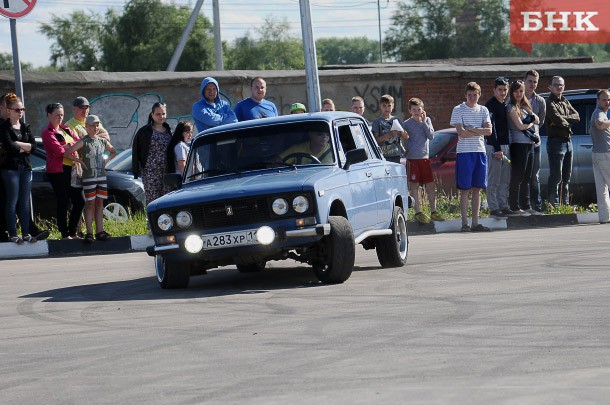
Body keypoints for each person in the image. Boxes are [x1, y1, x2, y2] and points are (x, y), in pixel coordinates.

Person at [63, 115, 117, 243]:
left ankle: (100, 231)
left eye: (97, 124)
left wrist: (107, 160)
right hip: (88, 178)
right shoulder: (84, 141)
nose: (95, 127)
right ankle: (89, 232)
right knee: (90, 204)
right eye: (92, 125)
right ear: (86, 127)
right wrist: (79, 161)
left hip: (101, 177)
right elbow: (67, 153)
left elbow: (113, 151)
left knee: (100, 203)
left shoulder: (102, 141)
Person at [450, 82, 492, 232]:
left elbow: (489, 131)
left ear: (479, 95)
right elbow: (461, 133)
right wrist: (478, 130)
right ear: (465, 95)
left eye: (475, 95)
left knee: (477, 189)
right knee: (465, 189)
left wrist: (472, 129)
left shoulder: (483, 110)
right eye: (470, 95)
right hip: (464, 153)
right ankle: (464, 223)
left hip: (480, 152)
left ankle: (475, 222)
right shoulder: (458, 109)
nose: (472, 97)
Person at [41, 103, 85, 239]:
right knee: (63, 201)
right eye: (57, 115)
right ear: (49, 115)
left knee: (79, 201)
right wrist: (71, 147)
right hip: (58, 171)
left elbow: (79, 143)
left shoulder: (66, 129)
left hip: (72, 169)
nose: (60, 117)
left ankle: (73, 231)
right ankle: (65, 234)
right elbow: (60, 152)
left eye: (62, 115)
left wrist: (68, 146)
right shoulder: (47, 132)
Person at [0, 93, 37, 244]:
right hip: (11, 169)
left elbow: (33, 147)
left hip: (26, 168)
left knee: (24, 203)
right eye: (17, 109)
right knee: (12, 202)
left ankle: (27, 234)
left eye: (22, 109)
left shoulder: (25, 126)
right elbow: (10, 148)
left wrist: (19, 144)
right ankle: (14, 234)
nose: (20, 112)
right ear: (8, 111)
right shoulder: (4, 128)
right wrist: (24, 146)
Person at [403, 97, 444, 224]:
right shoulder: (406, 124)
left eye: (419, 109)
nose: (416, 112)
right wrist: (404, 148)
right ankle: (418, 212)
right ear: (410, 110)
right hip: (413, 159)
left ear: (423, 110)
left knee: (430, 185)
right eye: (414, 110)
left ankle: (433, 211)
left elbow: (431, 136)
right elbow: (402, 138)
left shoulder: (427, 120)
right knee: (414, 186)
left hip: (425, 158)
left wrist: (424, 122)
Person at [507, 80, 540, 216]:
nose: (519, 94)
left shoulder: (525, 106)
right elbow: (520, 126)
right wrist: (530, 122)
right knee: (518, 176)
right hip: (518, 145)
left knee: (527, 177)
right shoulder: (511, 107)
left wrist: (530, 118)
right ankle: (515, 206)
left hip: (530, 144)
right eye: (516, 91)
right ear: (512, 92)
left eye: (521, 91)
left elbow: (537, 120)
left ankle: (526, 206)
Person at [545, 76, 580, 206]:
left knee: (566, 176)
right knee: (556, 176)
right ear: (550, 86)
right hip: (556, 142)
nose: (559, 87)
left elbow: (577, 117)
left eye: (561, 85)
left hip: (568, 141)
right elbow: (558, 120)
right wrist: (564, 121)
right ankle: (552, 204)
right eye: (556, 85)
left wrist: (564, 120)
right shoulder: (549, 103)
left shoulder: (565, 101)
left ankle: (565, 204)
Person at [484, 77, 514, 218]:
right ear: (494, 90)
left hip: (505, 145)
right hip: (494, 146)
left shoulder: (505, 104)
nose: (502, 93)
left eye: (505, 90)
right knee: (494, 179)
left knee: (505, 179)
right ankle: (494, 208)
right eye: (500, 90)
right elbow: (492, 128)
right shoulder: (490, 105)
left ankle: (503, 205)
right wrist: (497, 148)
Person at [132, 102, 173, 204]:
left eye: (163, 114)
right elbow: (136, 151)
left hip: (166, 171)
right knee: (153, 201)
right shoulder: (145, 131)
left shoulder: (169, 130)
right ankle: (152, 220)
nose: (161, 116)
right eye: (158, 114)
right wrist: (137, 169)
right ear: (152, 115)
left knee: (167, 200)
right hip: (150, 172)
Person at [524, 70, 546, 213]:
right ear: (524, 81)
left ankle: (536, 206)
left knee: (534, 176)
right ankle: (521, 205)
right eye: (530, 81)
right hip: (519, 144)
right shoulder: (516, 98)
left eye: (535, 82)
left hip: (535, 143)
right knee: (520, 175)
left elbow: (541, 122)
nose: (532, 84)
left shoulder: (540, 101)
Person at [589, 89, 610, 224]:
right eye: (604, 99)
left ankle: (604, 217)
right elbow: (600, 124)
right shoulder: (599, 113)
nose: (607, 102)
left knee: (602, 188)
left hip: (598, 154)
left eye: (608, 100)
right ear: (598, 101)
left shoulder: (601, 113)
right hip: (605, 153)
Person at [372, 94, 408, 163]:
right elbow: (374, 140)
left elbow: (406, 137)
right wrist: (388, 135)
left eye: (389, 106)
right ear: (380, 106)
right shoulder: (377, 122)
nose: (387, 108)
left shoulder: (397, 119)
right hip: (383, 156)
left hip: (396, 155)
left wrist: (401, 131)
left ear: (393, 106)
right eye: (384, 106)